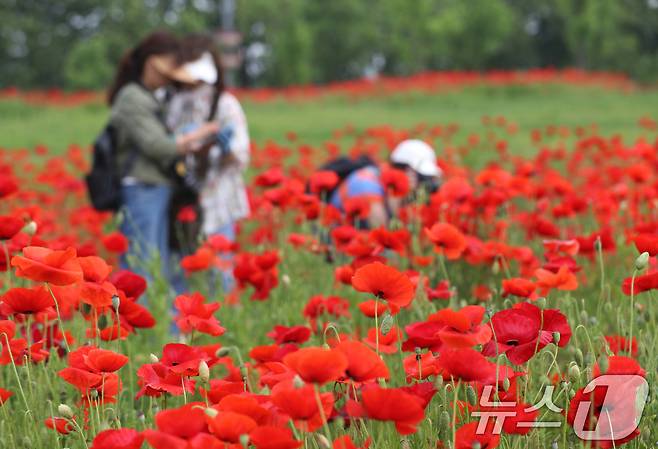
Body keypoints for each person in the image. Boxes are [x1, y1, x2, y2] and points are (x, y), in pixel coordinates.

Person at [107, 31, 220, 278]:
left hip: (157, 188)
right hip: (141, 188)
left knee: (157, 264)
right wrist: (196, 136)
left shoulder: (151, 97)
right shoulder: (131, 97)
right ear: (152, 63)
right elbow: (158, 146)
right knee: (142, 266)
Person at [166, 34, 251, 292]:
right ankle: (179, 329)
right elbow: (166, 146)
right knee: (179, 272)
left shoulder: (225, 103)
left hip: (218, 199)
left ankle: (220, 326)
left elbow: (240, 154)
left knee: (220, 273)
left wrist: (220, 148)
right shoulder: (176, 103)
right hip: (185, 199)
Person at [329, 139, 442, 228]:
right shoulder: (366, 186)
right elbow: (382, 231)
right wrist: (398, 197)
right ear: (409, 172)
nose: (423, 186)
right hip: (332, 244)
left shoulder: (381, 174)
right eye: (422, 177)